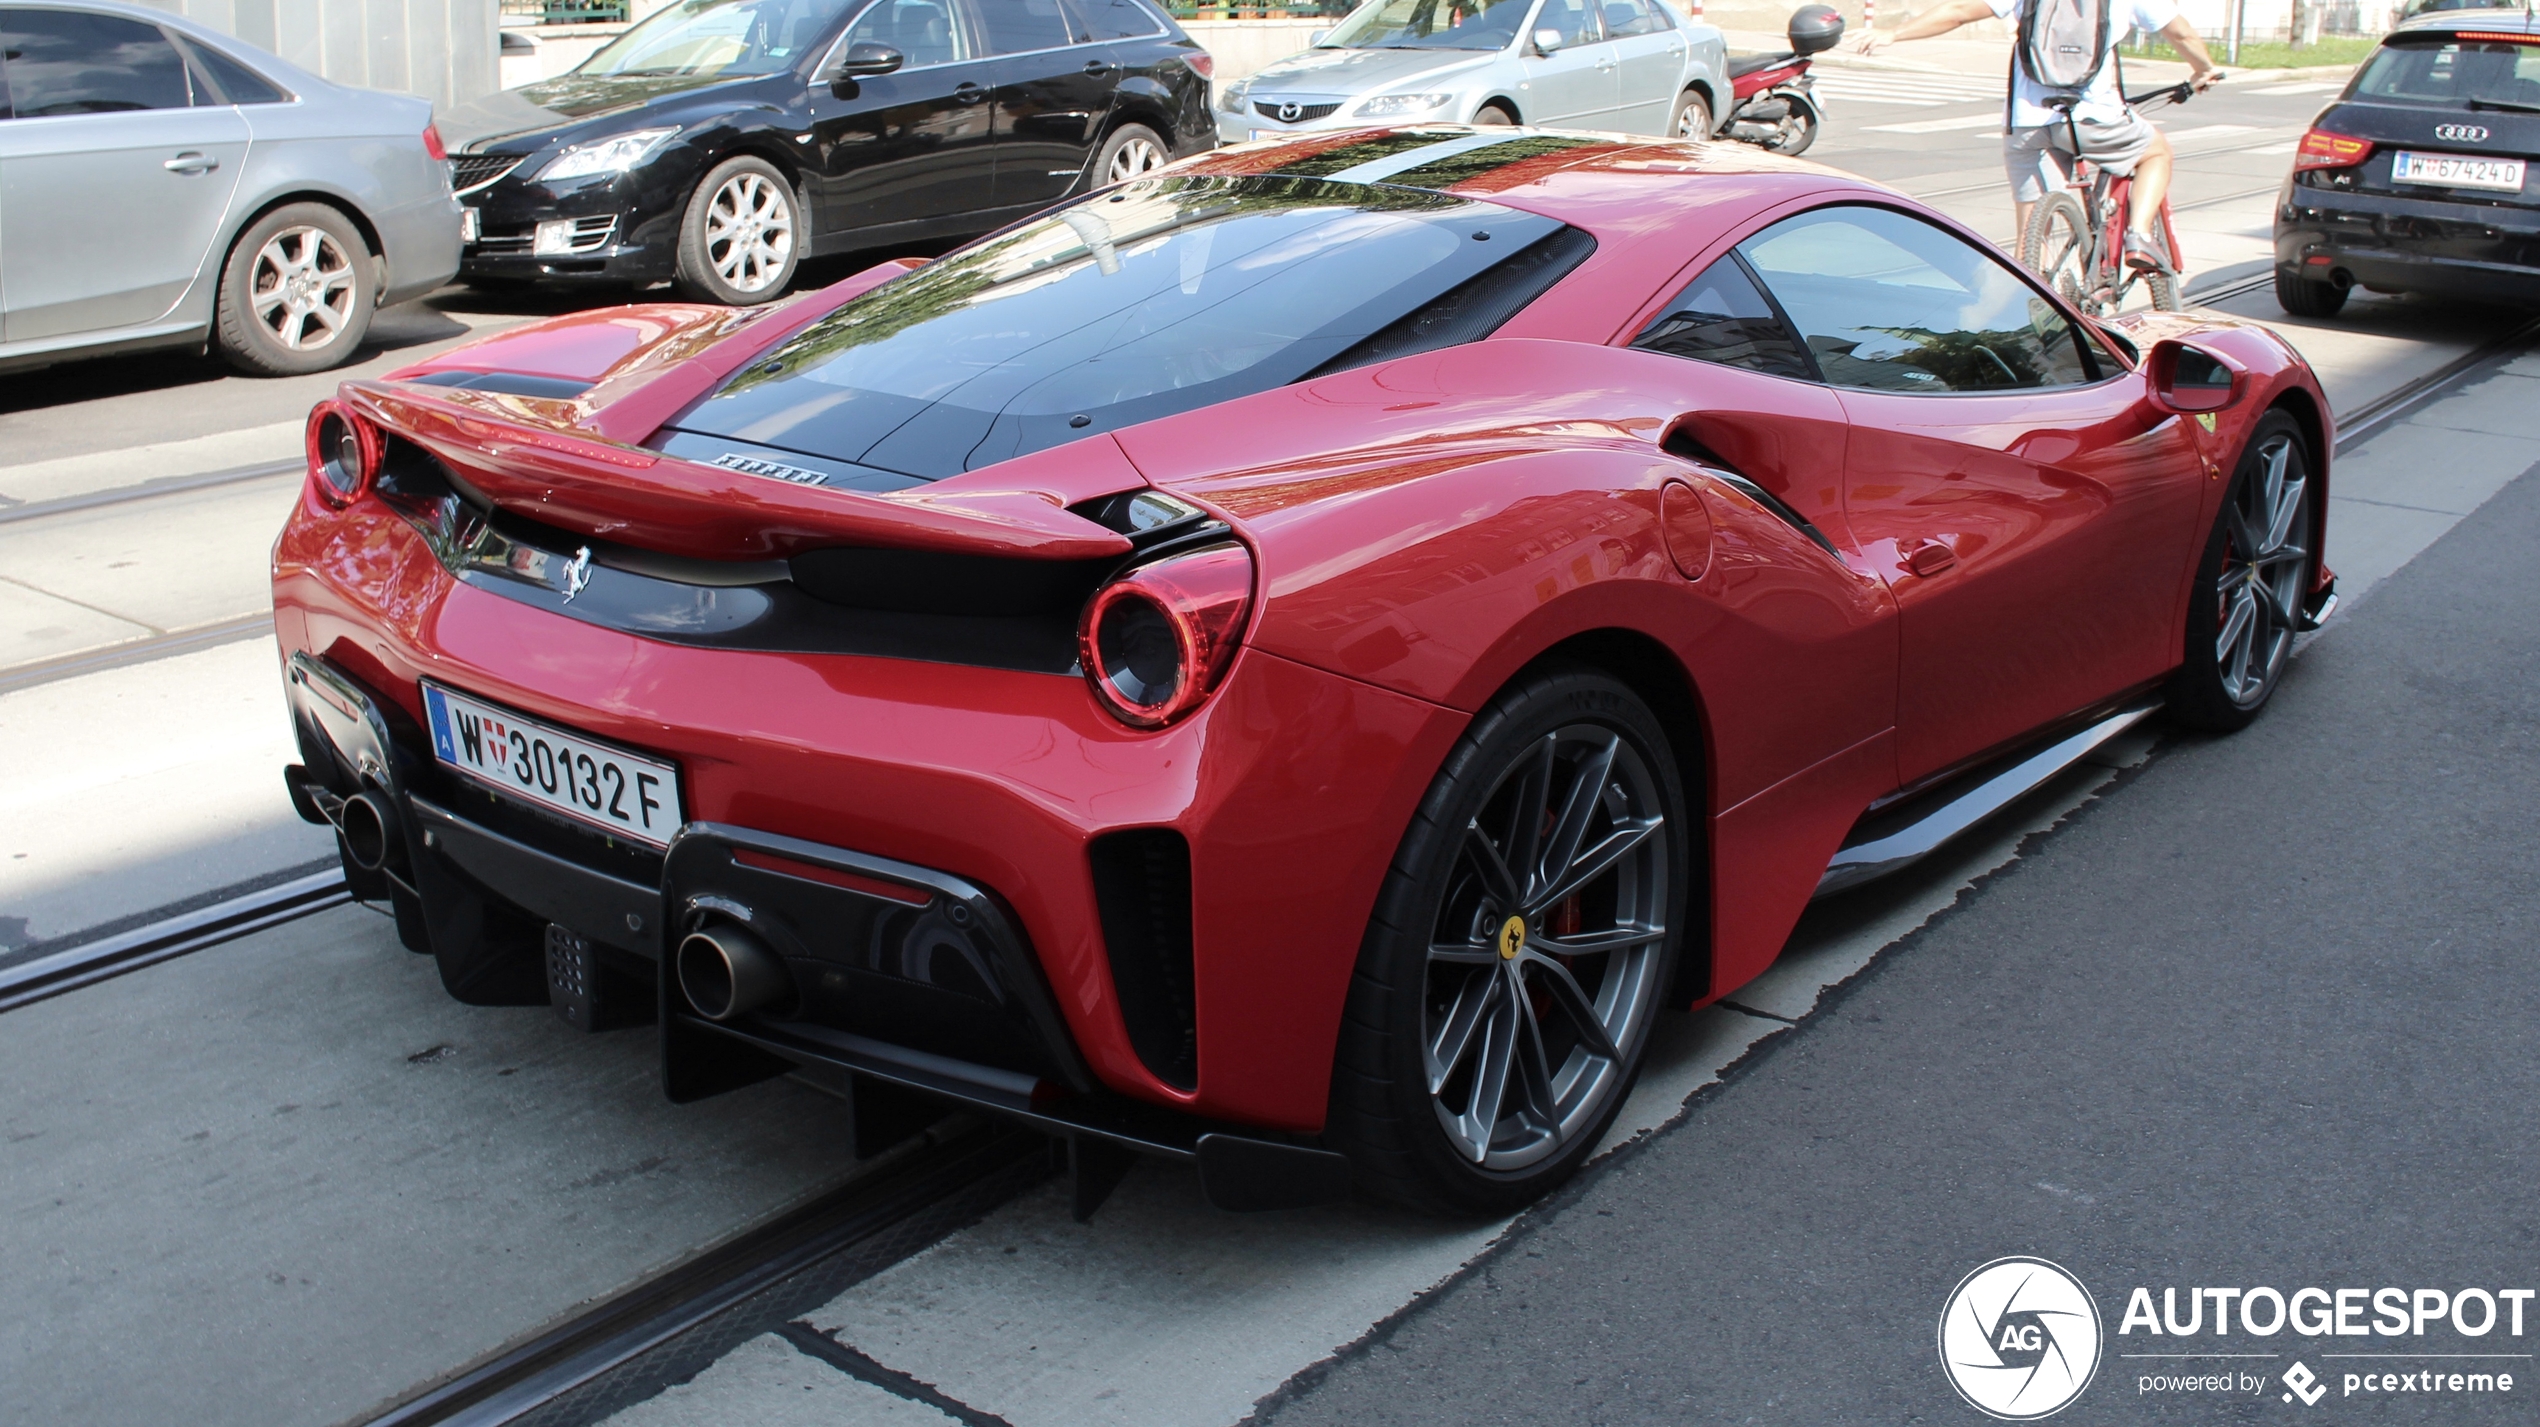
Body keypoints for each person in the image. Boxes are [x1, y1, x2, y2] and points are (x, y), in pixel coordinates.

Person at [1858, 0, 2221, 270]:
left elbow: (1959, 11)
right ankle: (2139, 235)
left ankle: (2030, 320)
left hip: (2026, 122)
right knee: (2155, 153)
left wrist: (1892, 33)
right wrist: (2203, 68)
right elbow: (2180, 32)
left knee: (2032, 236)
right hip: (2092, 119)